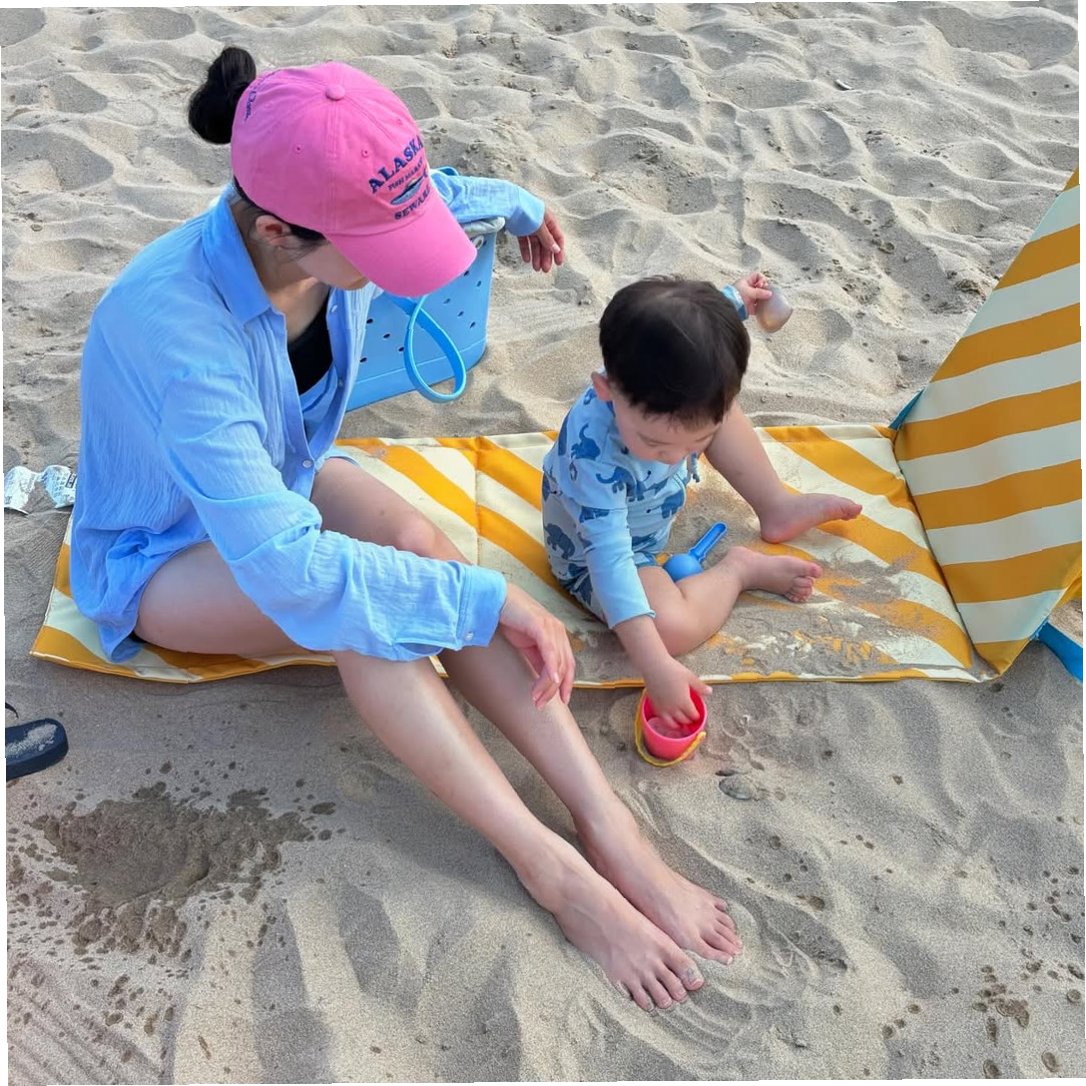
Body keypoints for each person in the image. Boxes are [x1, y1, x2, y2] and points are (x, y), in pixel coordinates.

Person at [68, 47, 742, 1012]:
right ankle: (551, 868)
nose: (400, 264)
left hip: (281, 476)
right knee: (370, 618)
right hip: (162, 552)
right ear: (277, 230)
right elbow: (297, 574)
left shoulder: (317, 232)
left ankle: (609, 827)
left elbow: (436, 195)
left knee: (422, 549)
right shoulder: (180, 336)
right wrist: (486, 599)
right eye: (380, 249)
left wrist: (518, 205)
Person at [542, 276, 863, 725]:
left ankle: (775, 503)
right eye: (655, 444)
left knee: (712, 397)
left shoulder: (656, 381)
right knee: (669, 630)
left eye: (696, 445)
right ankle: (738, 570)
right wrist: (656, 666)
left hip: (648, 509)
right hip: (600, 555)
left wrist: (736, 302)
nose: (678, 457)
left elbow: (690, 330)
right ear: (605, 388)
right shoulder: (593, 461)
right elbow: (610, 565)